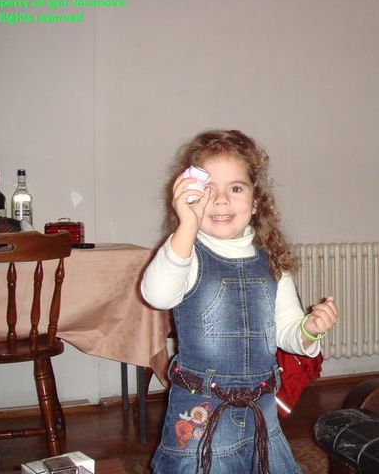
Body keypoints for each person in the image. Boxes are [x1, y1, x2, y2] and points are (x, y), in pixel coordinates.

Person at [141, 129, 338, 474]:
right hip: (201, 415)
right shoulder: (186, 254)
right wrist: (186, 226)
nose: (221, 200)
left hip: (261, 413)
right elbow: (156, 294)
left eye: (235, 188)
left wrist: (309, 330)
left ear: (256, 201)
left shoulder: (272, 262)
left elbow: (287, 332)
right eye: (207, 190)